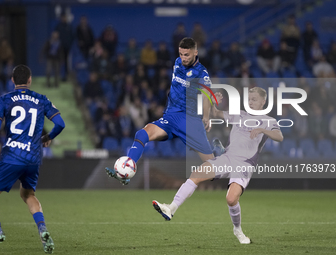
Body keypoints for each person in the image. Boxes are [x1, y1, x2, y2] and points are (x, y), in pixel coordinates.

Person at [152, 87, 284, 244]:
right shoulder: (240, 114)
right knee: (196, 174)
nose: (250, 102)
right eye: (249, 99)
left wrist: (262, 129)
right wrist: (213, 102)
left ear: (263, 101)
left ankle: (238, 230)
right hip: (228, 158)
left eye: (254, 99)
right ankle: (171, 208)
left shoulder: (269, 121)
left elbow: (279, 136)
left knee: (231, 199)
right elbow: (216, 113)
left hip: (244, 164)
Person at [106, 37, 220, 184]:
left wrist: (206, 116)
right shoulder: (177, 63)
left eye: (187, 55)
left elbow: (207, 96)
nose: (183, 58)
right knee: (142, 133)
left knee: (213, 171)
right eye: (181, 54)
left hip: (190, 121)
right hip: (171, 118)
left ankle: (221, 155)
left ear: (196, 52)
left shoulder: (201, 73)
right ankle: (128, 169)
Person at [0, 65, 65, 253]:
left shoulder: (5, 99)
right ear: (30, 80)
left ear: (12, 80)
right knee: (28, 195)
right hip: (33, 158)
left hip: (11, 157)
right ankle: (42, 228)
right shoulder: (41, 99)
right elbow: (60, 124)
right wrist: (48, 137)